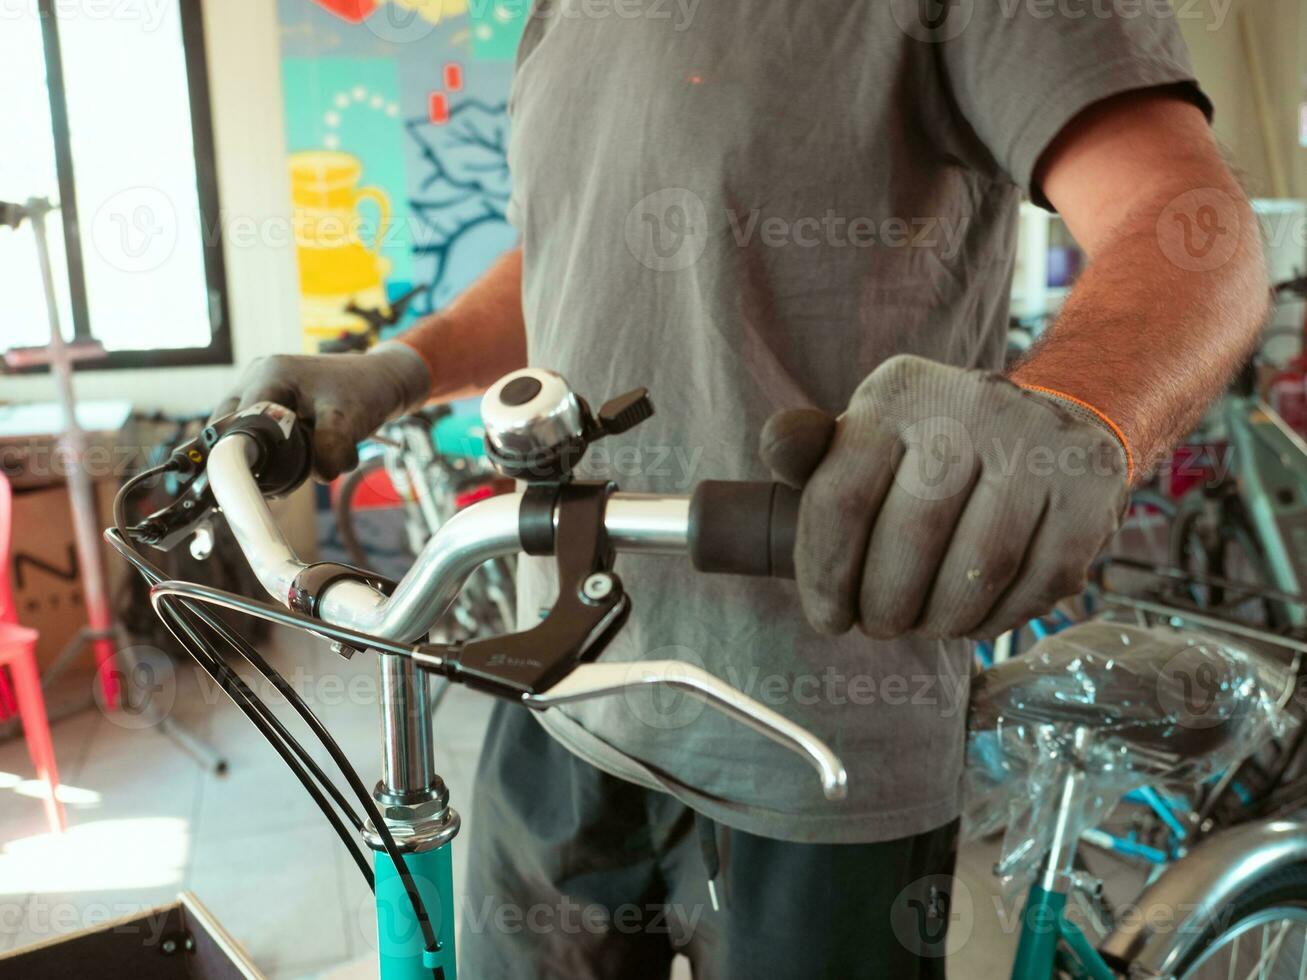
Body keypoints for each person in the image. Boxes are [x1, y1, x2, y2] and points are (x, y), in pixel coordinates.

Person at [215, 4, 1268, 977]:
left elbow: (1185, 223)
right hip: (555, 689)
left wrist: (1075, 407)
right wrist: (403, 366)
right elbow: (573, 251)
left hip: (816, 737)